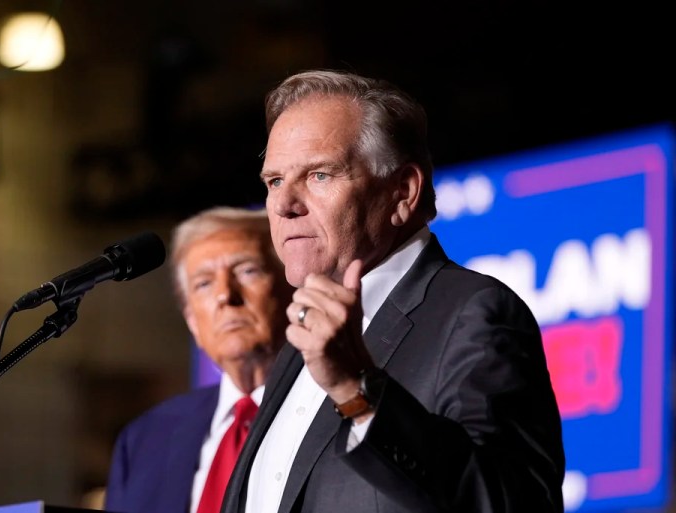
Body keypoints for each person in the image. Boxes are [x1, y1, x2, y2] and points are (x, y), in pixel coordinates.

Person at [221, 70, 565, 513]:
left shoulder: (473, 314)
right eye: (274, 182)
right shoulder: (296, 346)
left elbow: (512, 503)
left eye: (319, 175)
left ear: (402, 193)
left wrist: (358, 390)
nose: (285, 205)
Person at [104, 206, 294, 513]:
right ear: (192, 321)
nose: (224, 295)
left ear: (291, 289)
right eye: (204, 283)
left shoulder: (333, 409)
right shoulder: (143, 441)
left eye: (248, 270)